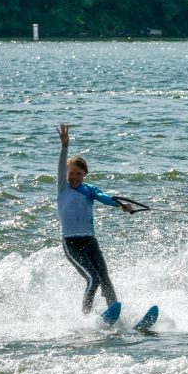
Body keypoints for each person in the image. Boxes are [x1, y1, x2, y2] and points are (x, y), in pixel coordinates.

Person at [56, 124, 132, 314]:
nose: (74, 177)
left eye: (78, 174)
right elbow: (61, 163)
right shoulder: (62, 188)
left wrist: (121, 205)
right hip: (71, 242)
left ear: (85, 175)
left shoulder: (90, 190)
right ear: (66, 174)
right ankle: (85, 318)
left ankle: (114, 313)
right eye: (71, 173)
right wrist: (65, 146)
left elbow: (105, 198)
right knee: (93, 278)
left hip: (90, 240)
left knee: (104, 278)